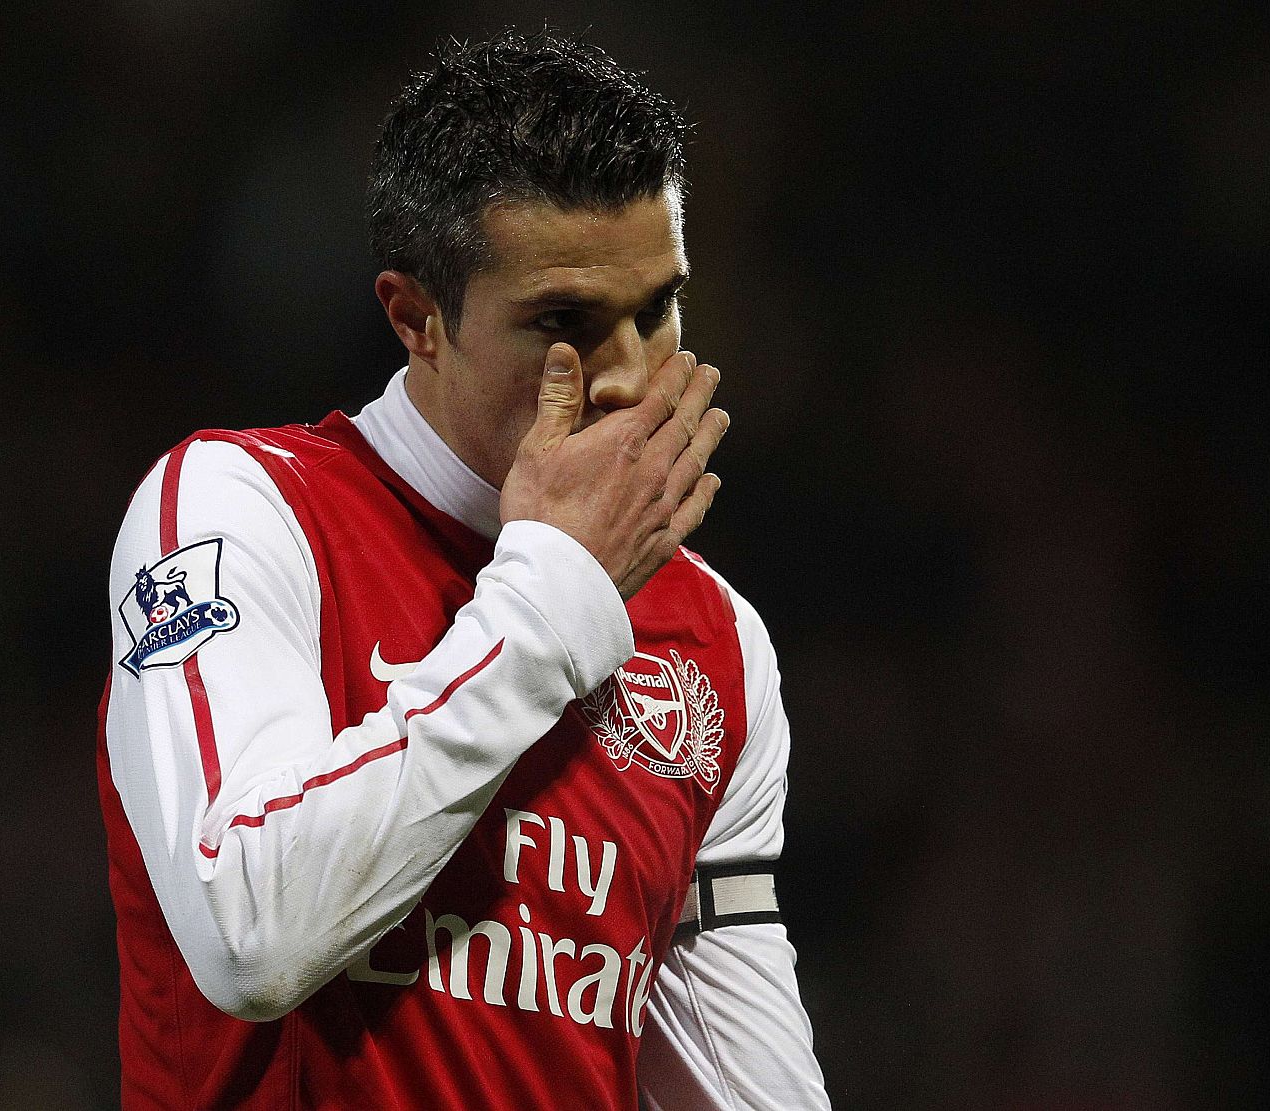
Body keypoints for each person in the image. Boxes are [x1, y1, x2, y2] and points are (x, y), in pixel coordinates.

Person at [97, 28, 830, 1111]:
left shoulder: (713, 637)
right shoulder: (237, 511)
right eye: (564, 325)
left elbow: (742, 1074)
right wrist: (553, 600)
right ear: (415, 316)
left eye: (656, 308)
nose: (630, 377)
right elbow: (248, 933)